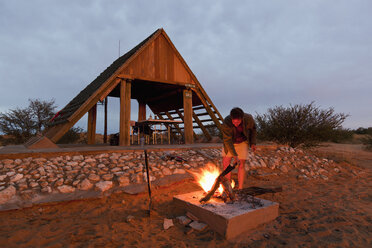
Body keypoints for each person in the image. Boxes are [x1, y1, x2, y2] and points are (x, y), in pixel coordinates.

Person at [222, 107, 257, 189]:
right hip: (230, 142)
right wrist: (234, 155)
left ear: (242, 118)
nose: (235, 124)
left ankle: (240, 188)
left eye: (238, 122)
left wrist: (253, 143)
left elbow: (253, 130)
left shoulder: (248, 119)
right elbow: (227, 141)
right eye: (234, 122)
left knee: (241, 165)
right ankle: (228, 187)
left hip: (242, 142)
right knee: (226, 163)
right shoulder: (226, 122)